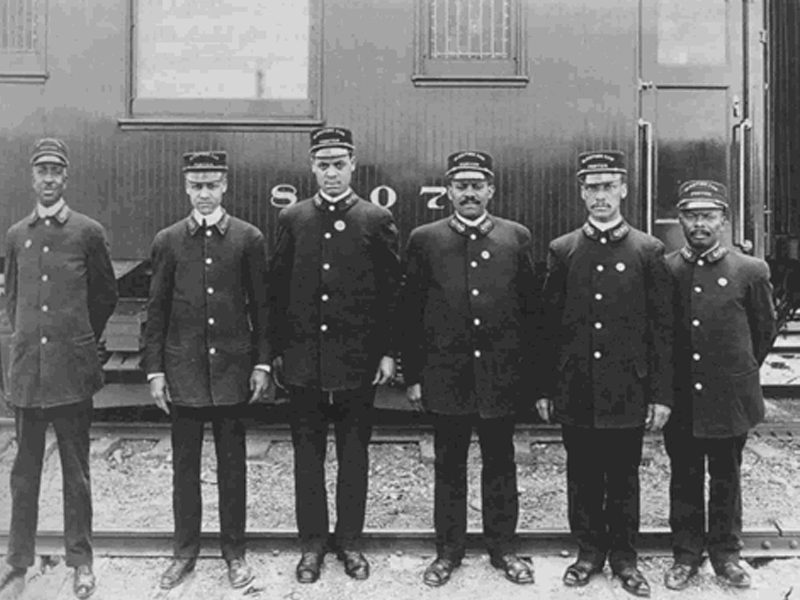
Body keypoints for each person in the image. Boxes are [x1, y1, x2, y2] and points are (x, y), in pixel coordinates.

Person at [537, 150, 673, 597]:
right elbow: (548, 326)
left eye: (608, 186)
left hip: (626, 388)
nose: (600, 196)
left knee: (623, 475)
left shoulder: (648, 250)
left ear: (624, 189)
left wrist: (660, 394)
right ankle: (588, 553)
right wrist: (544, 387)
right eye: (592, 187)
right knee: (582, 473)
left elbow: (662, 329)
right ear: (581, 192)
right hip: (577, 386)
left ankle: (625, 558)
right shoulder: (564, 249)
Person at [268, 126, 400, 583]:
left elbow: (390, 294)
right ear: (312, 167)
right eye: (322, 165)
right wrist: (279, 353)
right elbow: (276, 291)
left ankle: (349, 542)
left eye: (338, 164)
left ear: (352, 165)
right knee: (308, 458)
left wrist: (387, 352)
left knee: (353, 456)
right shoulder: (294, 218)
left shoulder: (374, 219)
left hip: (357, 362)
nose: (330, 173)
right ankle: (312, 546)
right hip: (304, 363)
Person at [401, 150, 539, 587]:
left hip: (500, 377)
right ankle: (449, 552)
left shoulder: (515, 238)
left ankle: (504, 550)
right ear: (449, 191)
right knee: (449, 466)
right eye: (461, 186)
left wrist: (530, 380)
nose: (469, 193)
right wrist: (415, 375)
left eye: (477, 185)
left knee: (501, 465)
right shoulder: (425, 238)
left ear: (491, 190)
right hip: (447, 376)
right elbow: (411, 310)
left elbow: (532, 313)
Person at [143, 151, 271, 590]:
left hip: (233, 374)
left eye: (211, 185)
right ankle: (185, 553)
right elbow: (156, 311)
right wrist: (155, 371)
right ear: (185, 187)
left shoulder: (248, 239)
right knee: (185, 471)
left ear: (225, 187)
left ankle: (235, 554)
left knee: (232, 469)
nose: (203, 193)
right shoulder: (168, 240)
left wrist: (260, 363)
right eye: (196, 185)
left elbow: (262, 308)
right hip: (185, 374)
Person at [0, 138, 118, 599]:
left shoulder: (87, 232)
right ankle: (18, 563)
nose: (48, 179)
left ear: (66, 178)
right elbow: (13, 304)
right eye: (41, 171)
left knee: (76, 473)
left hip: (71, 373)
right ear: (32, 178)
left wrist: (78, 340)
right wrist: (25, 351)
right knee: (23, 474)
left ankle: (81, 562)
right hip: (30, 374)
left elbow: (105, 296)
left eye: (56, 171)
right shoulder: (17, 234)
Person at [662, 180, 776, 591]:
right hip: (681, 398)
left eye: (708, 216)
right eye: (691, 216)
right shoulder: (667, 268)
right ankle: (686, 556)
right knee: (684, 475)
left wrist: (737, 373)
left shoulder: (750, 270)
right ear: (680, 221)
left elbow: (763, 333)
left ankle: (726, 556)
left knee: (726, 476)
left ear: (724, 221)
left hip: (729, 396)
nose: (699, 224)